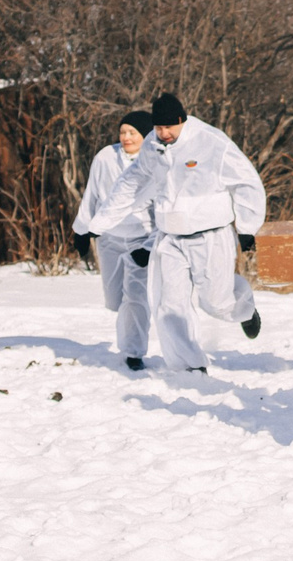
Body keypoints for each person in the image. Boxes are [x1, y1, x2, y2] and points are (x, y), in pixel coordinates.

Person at [109, 92, 266, 371]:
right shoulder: (152, 145)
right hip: (169, 237)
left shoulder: (211, 142)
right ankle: (189, 367)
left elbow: (246, 181)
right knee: (169, 306)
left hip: (210, 235)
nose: (164, 133)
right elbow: (138, 180)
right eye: (158, 128)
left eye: (170, 127)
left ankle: (245, 309)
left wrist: (247, 227)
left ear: (183, 121)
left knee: (216, 302)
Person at [70, 109, 158, 368]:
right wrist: (82, 230)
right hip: (109, 238)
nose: (126, 137)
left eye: (133, 132)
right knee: (114, 300)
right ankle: (129, 331)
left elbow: (161, 206)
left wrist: (151, 245)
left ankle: (133, 352)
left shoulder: (155, 161)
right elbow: (92, 196)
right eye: (123, 132)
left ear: (146, 135)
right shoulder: (105, 157)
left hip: (140, 239)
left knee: (136, 297)